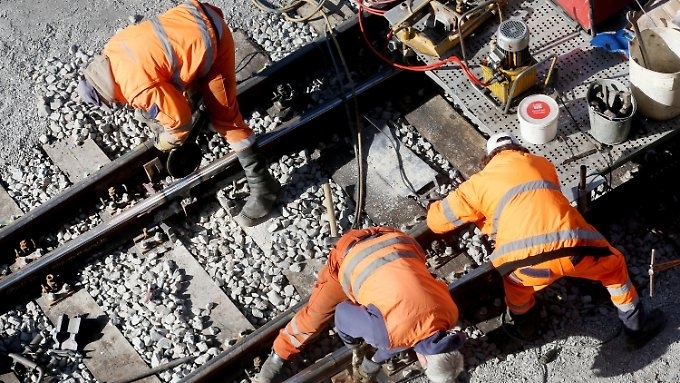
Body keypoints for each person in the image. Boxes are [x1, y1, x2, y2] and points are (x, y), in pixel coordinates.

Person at [426, 131, 666, 349]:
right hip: (576, 249)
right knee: (614, 269)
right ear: (520, 149)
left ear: (488, 160)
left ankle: (526, 327)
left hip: (524, 265)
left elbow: (436, 223)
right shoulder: (542, 163)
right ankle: (636, 328)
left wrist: (454, 208)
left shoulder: (477, 184)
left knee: (517, 290)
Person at [76, 0, 280, 227]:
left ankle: (264, 186)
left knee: (227, 121)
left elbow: (179, 123)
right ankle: (203, 102)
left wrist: (165, 142)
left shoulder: (135, 88)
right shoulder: (113, 49)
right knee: (180, 86)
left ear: (106, 94)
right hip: (194, 15)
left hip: (214, 41)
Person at [254, 226, 467, 383]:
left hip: (397, 240)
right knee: (315, 315)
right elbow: (341, 314)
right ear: (423, 361)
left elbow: (410, 331)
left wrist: (377, 358)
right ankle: (279, 353)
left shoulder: (451, 313)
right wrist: (353, 345)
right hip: (350, 254)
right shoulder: (387, 335)